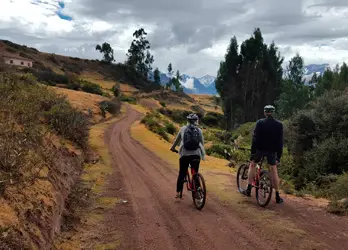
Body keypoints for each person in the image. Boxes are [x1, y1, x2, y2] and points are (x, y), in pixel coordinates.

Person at [242, 105, 284, 204]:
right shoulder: (279, 124)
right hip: (272, 151)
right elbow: (280, 142)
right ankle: (277, 196)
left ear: (265, 113)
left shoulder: (260, 123)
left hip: (260, 150)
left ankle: (248, 190)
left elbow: (255, 139)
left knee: (252, 165)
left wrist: (253, 153)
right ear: (273, 113)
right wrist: (279, 156)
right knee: (274, 171)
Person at [170, 113, 205, 198]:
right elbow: (202, 143)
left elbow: (177, 141)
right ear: (196, 121)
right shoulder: (199, 130)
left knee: (182, 173)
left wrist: (173, 148)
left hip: (184, 155)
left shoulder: (183, 129)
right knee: (195, 172)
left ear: (187, 121)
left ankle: (178, 192)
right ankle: (198, 189)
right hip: (196, 155)